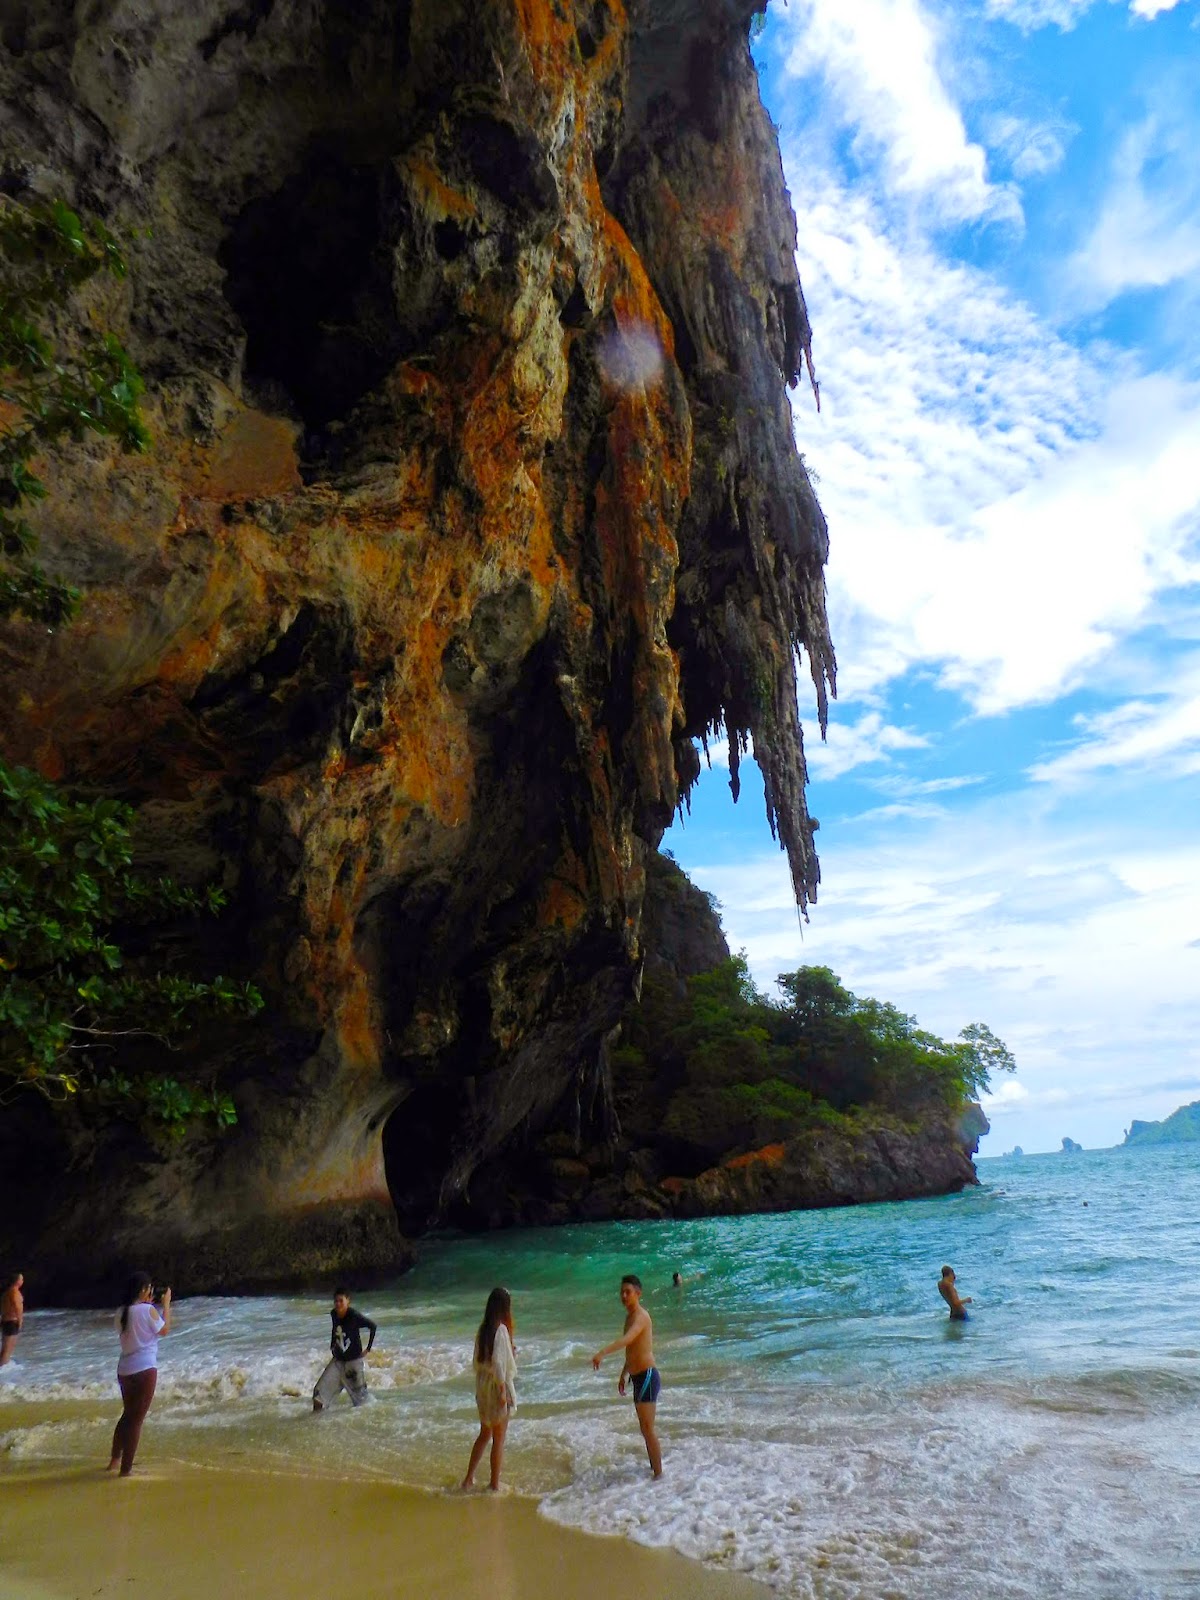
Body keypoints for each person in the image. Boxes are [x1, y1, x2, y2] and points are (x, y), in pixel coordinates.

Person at [591, 1272, 662, 1478]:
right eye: (621, 1292)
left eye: (628, 1292)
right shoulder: (629, 1317)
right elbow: (631, 1350)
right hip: (637, 1376)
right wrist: (623, 1374)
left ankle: (659, 1475)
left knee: (648, 1428)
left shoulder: (641, 1317)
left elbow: (627, 1340)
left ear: (638, 1293)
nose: (623, 1296)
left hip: (647, 1376)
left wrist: (602, 1352)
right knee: (644, 1428)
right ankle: (655, 1471)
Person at [109, 1272, 171, 1475]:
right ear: (143, 1290)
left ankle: (115, 1460)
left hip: (125, 1369)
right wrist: (166, 1305)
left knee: (127, 1415)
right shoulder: (148, 1310)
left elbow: (131, 1329)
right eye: (149, 1288)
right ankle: (126, 1470)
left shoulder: (121, 1312)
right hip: (145, 1368)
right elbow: (164, 1330)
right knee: (136, 1421)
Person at [461, 1286, 517, 1491]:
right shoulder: (501, 1330)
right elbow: (499, 1364)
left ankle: (468, 1479)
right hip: (496, 1385)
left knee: (484, 1433)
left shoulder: (483, 1329)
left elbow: (478, 1361)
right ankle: (494, 1484)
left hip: (483, 1384)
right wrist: (502, 1391)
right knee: (499, 1438)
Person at [312, 1286, 377, 1411]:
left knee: (363, 1405)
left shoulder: (354, 1316)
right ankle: (317, 1421)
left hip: (353, 1364)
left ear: (348, 1301)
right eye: (336, 1301)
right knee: (318, 1396)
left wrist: (368, 1348)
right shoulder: (334, 1314)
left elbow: (373, 1326)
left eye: (341, 1301)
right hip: (338, 1362)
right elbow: (335, 1328)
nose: (338, 1304)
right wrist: (332, 1343)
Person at [1, 1271, 24, 1365]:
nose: (22, 1281)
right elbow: (17, 1307)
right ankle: (2, 1368)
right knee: (7, 1350)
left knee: (5, 1349)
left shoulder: (6, 1293)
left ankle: (3, 1366)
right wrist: (20, 1321)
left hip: (6, 1321)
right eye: (21, 1279)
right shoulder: (14, 1292)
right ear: (17, 1281)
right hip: (12, 1322)